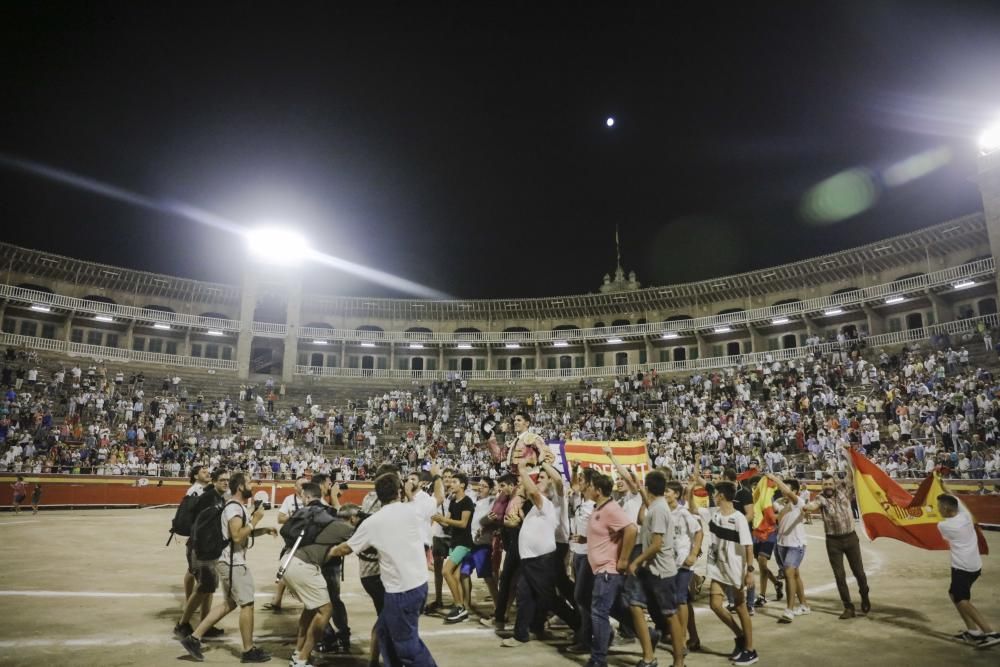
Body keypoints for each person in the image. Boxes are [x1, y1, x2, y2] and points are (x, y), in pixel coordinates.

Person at [330, 472, 438, 667]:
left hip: (400, 591)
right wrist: (421, 485)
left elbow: (346, 548)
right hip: (418, 585)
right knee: (384, 632)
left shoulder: (373, 522)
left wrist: (329, 551)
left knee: (408, 648)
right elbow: (437, 498)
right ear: (398, 491)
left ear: (378, 496)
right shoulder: (414, 509)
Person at [179, 472, 278, 663]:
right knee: (247, 604)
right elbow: (237, 536)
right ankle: (248, 651)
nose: (252, 486)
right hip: (232, 563)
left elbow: (238, 534)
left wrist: (261, 530)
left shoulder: (234, 506)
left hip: (229, 560)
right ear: (240, 486)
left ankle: (194, 638)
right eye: (249, 482)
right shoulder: (234, 508)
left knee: (230, 603)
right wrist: (255, 519)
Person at [691, 466, 758, 666]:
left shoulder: (738, 519)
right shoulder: (714, 513)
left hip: (736, 568)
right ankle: (739, 636)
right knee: (715, 604)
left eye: (715, 493)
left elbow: (748, 546)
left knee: (740, 607)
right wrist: (689, 490)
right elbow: (693, 509)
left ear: (721, 496)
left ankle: (750, 649)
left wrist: (750, 571)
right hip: (718, 567)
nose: (712, 495)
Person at [282, 483, 354, 667]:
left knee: (310, 608)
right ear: (352, 518)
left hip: (288, 562)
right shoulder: (339, 525)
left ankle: (298, 653)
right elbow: (358, 538)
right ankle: (302, 659)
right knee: (326, 610)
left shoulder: (310, 516)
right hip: (303, 566)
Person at [803, 444, 870, 619]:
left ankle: (864, 594)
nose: (828, 486)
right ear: (822, 485)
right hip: (833, 541)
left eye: (830, 483)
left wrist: (849, 454)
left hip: (850, 538)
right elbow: (813, 505)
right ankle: (848, 607)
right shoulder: (820, 498)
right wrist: (806, 507)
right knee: (839, 575)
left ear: (834, 483)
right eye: (825, 484)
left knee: (859, 573)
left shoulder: (844, 491)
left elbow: (851, 472)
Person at [626, 470, 685, 667]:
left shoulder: (659, 510)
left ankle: (678, 661)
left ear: (650, 487)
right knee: (635, 604)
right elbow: (645, 518)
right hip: (651, 569)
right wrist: (642, 490)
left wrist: (636, 561)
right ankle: (649, 657)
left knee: (670, 614)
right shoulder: (657, 506)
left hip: (661, 571)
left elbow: (657, 544)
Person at [584, 473, 637, 667]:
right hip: (601, 570)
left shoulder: (611, 509)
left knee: (599, 612)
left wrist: (623, 558)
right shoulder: (600, 508)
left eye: (590, 487)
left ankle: (598, 659)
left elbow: (631, 529)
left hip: (608, 571)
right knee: (616, 609)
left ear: (598, 491)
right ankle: (649, 635)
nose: (587, 489)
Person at [936, 493, 1000, 648]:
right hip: (974, 565)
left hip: (962, 567)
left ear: (945, 508)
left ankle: (990, 632)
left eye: (939, 507)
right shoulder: (965, 516)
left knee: (962, 600)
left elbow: (942, 535)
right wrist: (942, 486)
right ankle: (973, 632)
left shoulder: (944, 526)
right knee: (953, 594)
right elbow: (957, 501)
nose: (938, 509)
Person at [174, 469, 230, 639]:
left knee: (209, 588)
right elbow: (199, 525)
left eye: (227, 480)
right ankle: (182, 624)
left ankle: (205, 624)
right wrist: (202, 548)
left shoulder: (217, 497)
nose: (226, 483)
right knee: (203, 588)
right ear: (214, 481)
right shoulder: (208, 498)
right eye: (222, 480)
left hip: (209, 548)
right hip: (202, 549)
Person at [666, 479, 704, 653]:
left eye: (668, 491)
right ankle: (694, 636)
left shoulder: (683, 513)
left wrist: (693, 554)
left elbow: (698, 532)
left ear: (677, 494)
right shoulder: (663, 511)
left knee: (679, 598)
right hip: (669, 563)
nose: (665, 494)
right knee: (684, 600)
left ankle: (680, 639)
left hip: (683, 563)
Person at [433, 471, 475, 623]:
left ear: (463, 485)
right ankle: (462, 608)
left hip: (464, 543)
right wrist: (436, 518)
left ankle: (459, 606)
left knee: (445, 571)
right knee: (455, 577)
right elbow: (446, 523)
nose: (451, 484)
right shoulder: (452, 502)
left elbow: (463, 524)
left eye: (455, 482)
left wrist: (443, 519)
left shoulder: (467, 501)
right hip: (455, 543)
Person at [767, 474, 809, 623]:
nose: (783, 492)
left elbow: (788, 493)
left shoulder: (799, 502)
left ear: (795, 492)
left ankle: (789, 610)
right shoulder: (781, 505)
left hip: (795, 545)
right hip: (781, 545)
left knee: (789, 573)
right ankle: (804, 605)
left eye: (787, 489)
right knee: (795, 575)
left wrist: (774, 478)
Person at [265, 476, 307, 613]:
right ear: (295, 488)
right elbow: (280, 518)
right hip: (293, 541)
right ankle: (277, 600)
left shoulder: (313, 499)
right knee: (284, 569)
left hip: (309, 542)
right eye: (301, 485)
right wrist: (294, 516)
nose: (303, 487)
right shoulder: (289, 500)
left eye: (306, 484)